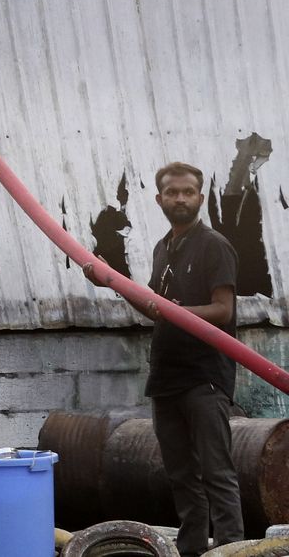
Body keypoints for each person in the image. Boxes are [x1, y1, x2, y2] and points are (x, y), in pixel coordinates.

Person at [86, 162, 242, 557]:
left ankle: (231, 550)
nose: (180, 199)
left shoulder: (214, 245)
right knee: (180, 476)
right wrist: (112, 281)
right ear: (159, 199)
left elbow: (223, 310)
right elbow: (154, 309)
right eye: (172, 193)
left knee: (217, 472)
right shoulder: (162, 248)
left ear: (200, 198)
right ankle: (191, 550)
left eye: (188, 192)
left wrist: (173, 311)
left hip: (204, 377)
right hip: (167, 378)